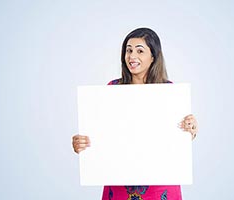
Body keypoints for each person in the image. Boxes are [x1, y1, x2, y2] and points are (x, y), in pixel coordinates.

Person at [72, 27, 198, 200]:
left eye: (140, 51)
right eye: (128, 50)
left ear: (153, 56)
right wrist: (82, 144)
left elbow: (173, 141)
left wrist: (189, 131)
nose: (132, 56)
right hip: (119, 186)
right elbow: (103, 134)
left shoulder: (169, 92)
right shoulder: (111, 89)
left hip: (160, 187)